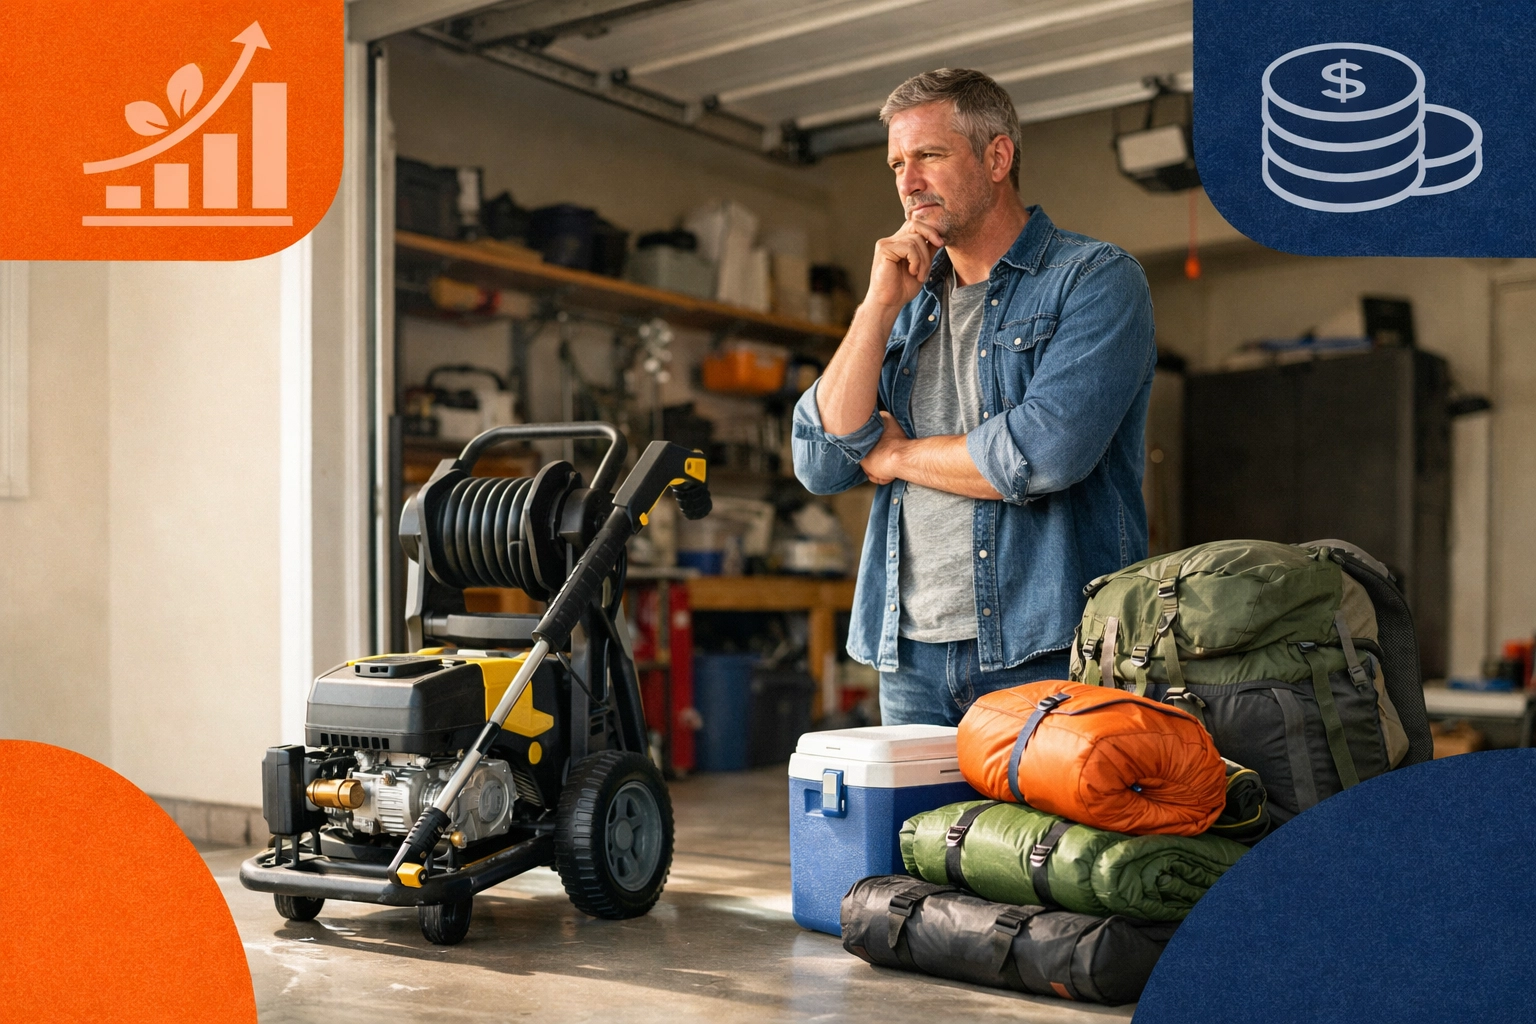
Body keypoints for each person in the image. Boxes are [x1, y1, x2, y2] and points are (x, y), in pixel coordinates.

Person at [792, 68, 1156, 726]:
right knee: (917, 836)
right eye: (897, 163)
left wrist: (898, 458)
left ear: (996, 157)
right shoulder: (904, 302)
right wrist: (875, 308)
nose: (907, 182)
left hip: (1048, 647)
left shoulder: (1093, 280)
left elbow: (1042, 453)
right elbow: (821, 457)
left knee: (1036, 837)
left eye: (929, 155)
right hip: (909, 652)